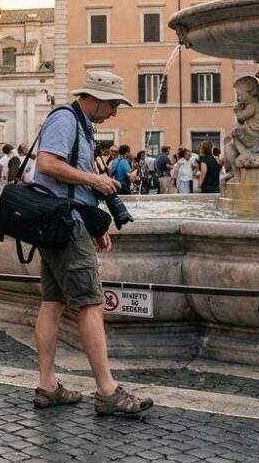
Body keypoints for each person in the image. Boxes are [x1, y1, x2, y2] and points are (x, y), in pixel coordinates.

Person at [31, 71, 152, 416]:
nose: (114, 111)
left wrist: (95, 223)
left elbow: (72, 184)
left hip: (66, 221)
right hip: (65, 225)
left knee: (52, 302)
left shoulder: (82, 127)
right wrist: (95, 180)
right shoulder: (65, 120)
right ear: (95, 98)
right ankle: (107, 391)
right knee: (91, 304)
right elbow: (47, 164)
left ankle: (48, 386)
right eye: (113, 103)